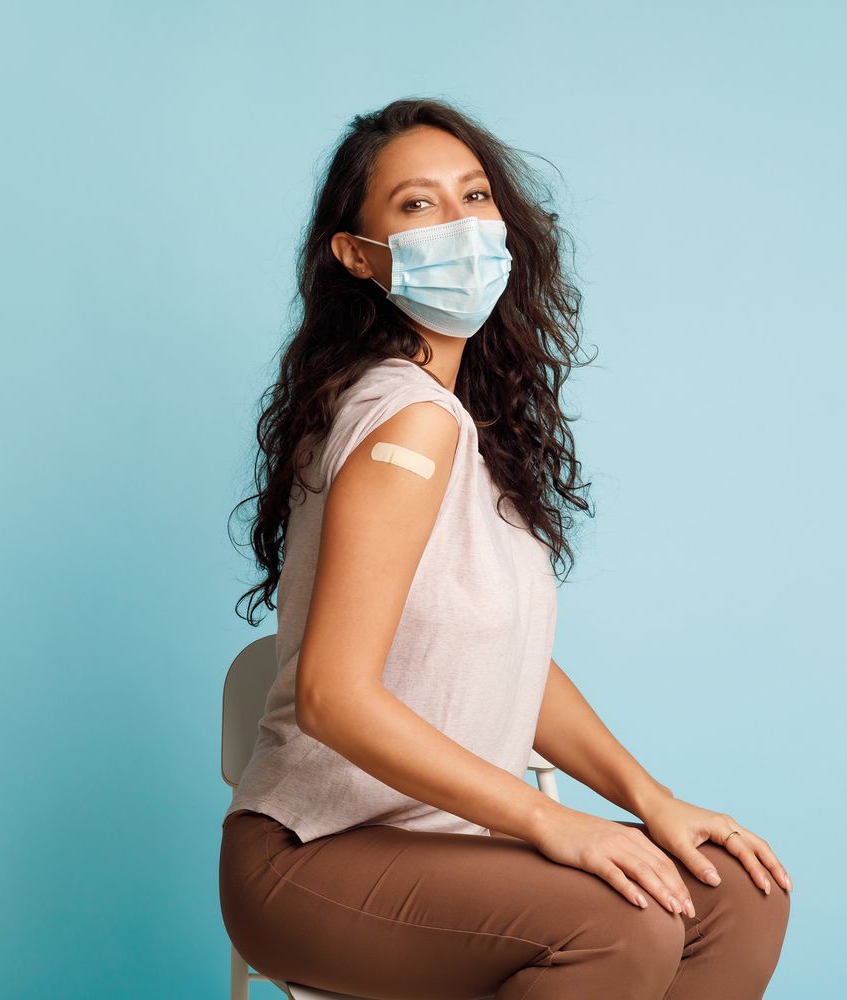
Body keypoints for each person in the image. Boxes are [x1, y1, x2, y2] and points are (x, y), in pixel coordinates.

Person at [221, 97, 791, 999]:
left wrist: (651, 802)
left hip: (437, 848)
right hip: (309, 860)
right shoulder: (407, 419)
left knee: (735, 894)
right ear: (357, 256)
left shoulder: (462, 428)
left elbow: (511, 670)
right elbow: (333, 696)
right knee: (621, 925)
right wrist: (548, 822)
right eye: (417, 206)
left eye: (475, 195)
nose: (461, 224)